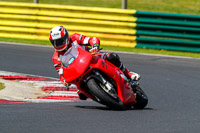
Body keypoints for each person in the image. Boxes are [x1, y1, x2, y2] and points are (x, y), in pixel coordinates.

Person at [49, 26, 140, 100]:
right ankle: (104, 97)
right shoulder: (56, 58)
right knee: (81, 95)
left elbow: (91, 39)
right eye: (55, 42)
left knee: (112, 57)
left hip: (92, 57)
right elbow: (61, 73)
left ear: (66, 37)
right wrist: (64, 81)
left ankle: (127, 73)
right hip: (78, 72)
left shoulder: (75, 38)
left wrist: (95, 45)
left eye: (60, 41)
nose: (59, 44)